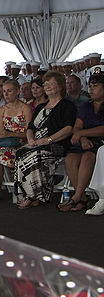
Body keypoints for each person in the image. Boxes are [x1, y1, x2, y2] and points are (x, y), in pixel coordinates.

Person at [13, 71, 77, 209]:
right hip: (37, 143)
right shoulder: (41, 107)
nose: (47, 87)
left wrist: (48, 140)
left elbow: (68, 129)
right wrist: (30, 139)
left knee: (34, 155)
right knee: (20, 152)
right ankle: (27, 193)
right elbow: (31, 127)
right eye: (45, 84)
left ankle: (35, 195)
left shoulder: (67, 105)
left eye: (51, 84)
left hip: (57, 144)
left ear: (60, 86)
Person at [60, 73, 104, 211]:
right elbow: (77, 126)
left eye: (95, 86)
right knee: (70, 159)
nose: (91, 89)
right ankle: (83, 198)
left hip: (100, 142)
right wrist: (82, 137)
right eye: (90, 86)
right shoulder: (87, 105)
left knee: (87, 157)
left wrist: (82, 134)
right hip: (86, 141)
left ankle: (76, 197)